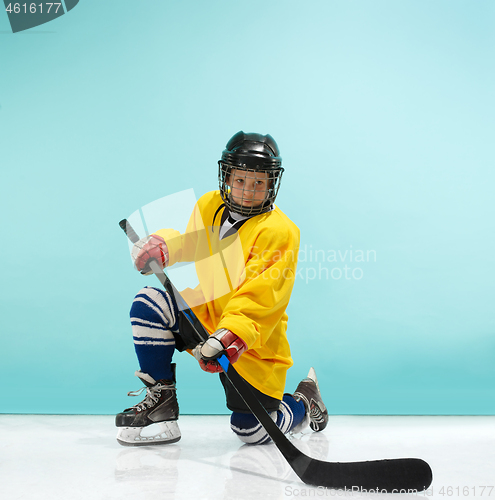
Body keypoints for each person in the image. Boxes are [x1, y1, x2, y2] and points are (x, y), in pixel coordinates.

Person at [115, 131, 328, 446]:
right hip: (204, 313)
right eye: (240, 180)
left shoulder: (280, 231)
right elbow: (194, 241)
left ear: (272, 184)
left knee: (250, 432)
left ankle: (303, 401)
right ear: (227, 176)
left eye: (258, 183)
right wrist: (163, 247)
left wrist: (230, 337)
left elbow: (260, 297)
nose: (247, 190)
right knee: (149, 303)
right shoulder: (210, 204)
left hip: (249, 340)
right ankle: (162, 403)